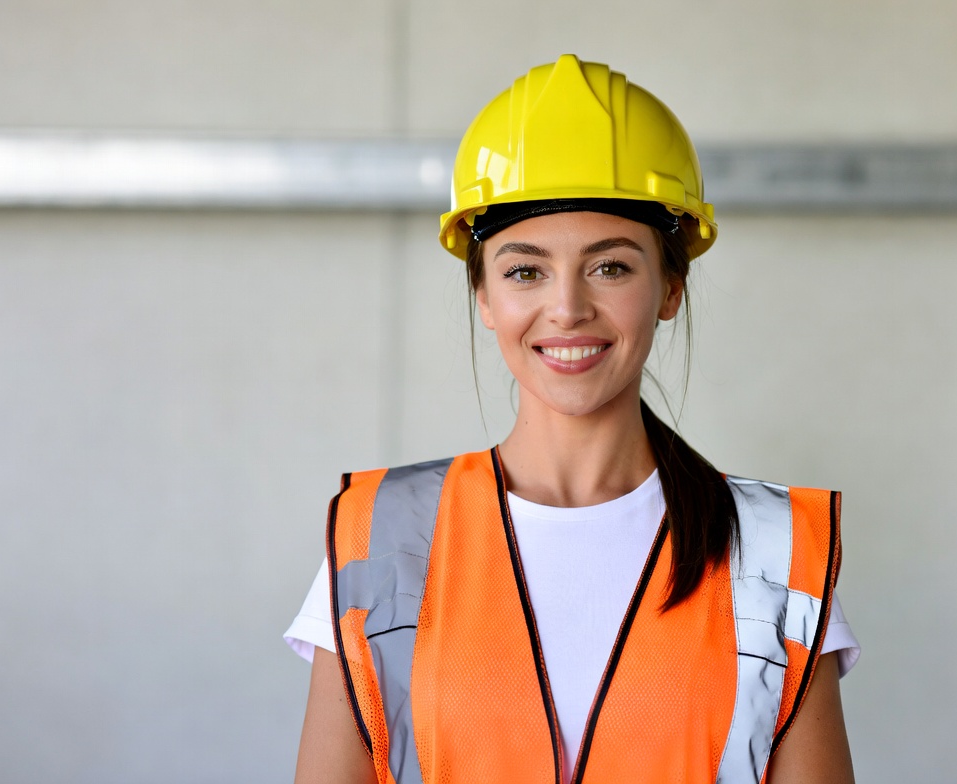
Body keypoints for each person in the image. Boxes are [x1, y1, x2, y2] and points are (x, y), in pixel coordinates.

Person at [285, 54, 859, 784]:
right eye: (525, 270)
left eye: (610, 267)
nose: (566, 308)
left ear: (671, 286)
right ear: (485, 297)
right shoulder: (380, 540)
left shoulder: (772, 556)